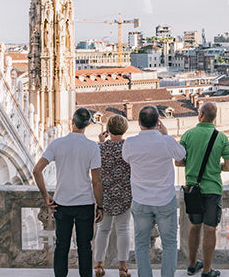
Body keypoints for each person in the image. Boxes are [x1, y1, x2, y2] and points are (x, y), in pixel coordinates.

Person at [33, 108, 103, 277]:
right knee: (85, 246)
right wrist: (100, 206)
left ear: (72, 122)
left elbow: (37, 170)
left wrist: (45, 196)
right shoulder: (92, 147)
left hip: (62, 203)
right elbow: (96, 181)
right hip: (85, 204)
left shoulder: (57, 144)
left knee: (62, 245)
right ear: (87, 124)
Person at [122, 105, 186, 277]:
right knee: (170, 243)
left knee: (141, 244)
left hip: (141, 199)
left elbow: (125, 158)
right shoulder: (167, 141)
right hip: (164, 199)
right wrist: (165, 134)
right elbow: (181, 155)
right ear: (158, 122)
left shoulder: (130, 143)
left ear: (139, 123)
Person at [178, 102, 229, 277]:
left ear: (201, 114)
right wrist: (216, 167)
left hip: (193, 189)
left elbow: (178, 162)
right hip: (212, 189)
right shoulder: (221, 137)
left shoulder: (188, 135)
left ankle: (192, 264)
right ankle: (207, 269)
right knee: (210, 229)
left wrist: (192, 162)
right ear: (214, 117)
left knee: (194, 226)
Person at [94, 115, 132, 277]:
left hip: (105, 194)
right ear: (125, 129)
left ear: (108, 130)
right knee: (123, 230)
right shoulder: (129, 147)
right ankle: (123, 268)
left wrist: (102, 142)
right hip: (124, 193)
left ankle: (99, 266)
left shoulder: (99, 148)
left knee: (103, 230)